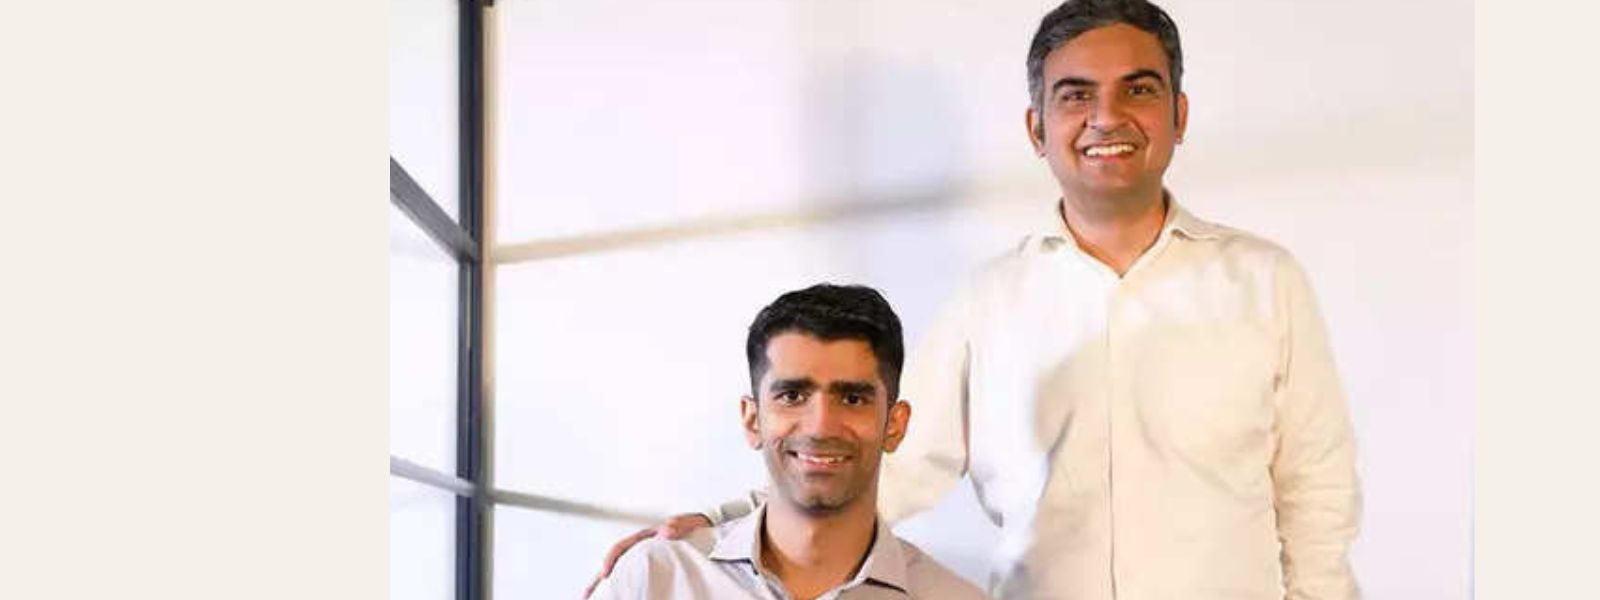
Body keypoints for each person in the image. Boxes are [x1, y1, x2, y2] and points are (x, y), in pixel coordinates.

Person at [592, 1, 1361, 598]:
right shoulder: (990, 301)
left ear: (1178, 115)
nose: (1106, 117)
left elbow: (1317, 495)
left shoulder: (1265, 281)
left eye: (1139, 89)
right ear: (1037, 128)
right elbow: (886, 459)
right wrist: (727, 524)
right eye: (1076, 95)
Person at [589, 284, 989, 600]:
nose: (821, 426)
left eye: (852, 399)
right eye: (792, 396)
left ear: (895, 425)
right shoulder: (655, 577)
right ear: (752, 419)